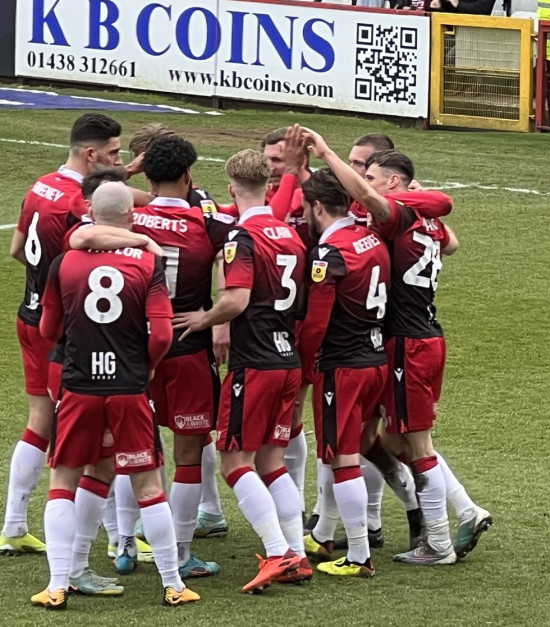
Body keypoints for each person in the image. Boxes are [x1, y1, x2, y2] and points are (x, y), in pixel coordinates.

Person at [303, 128, 494, 563]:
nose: (361, 179)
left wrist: (326, 151)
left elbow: (376, 202)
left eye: (367, 171)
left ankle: (439, 541)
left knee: (414, 444)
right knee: (385, 439)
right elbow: (452, 237)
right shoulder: (422, 216)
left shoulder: (398, 214)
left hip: (407, 342)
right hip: (418, 337)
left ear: (391, 181)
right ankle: (446, 514)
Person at [69, 137, 232, 579]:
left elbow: (80, 225)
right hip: (186, 348)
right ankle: (179, 553)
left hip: (130, 350)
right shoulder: (211, 225)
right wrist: (215, 317)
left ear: (149, 175)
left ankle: (124, 542)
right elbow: (241, 245)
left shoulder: (130, 219)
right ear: (188, 176)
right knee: (189, 455)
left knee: (128, 451)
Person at [35, 181, 200, 608]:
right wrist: (146, 364)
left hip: (78, 386)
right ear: (131, 217)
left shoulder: (64, 262)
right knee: (148, 485)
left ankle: (57, 584)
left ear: (92, 213)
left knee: (62, 483)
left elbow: (48, 331)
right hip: (129, 385)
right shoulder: (147, 262)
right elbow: (162, 333)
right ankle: (173, 584)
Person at [173, 149, 308, 593]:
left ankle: (277, 552)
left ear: (231, 188)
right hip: (288, 360)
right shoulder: (290, 234)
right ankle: (298, 554)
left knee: (234, 459)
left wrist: (203, 319)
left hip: (256, 364)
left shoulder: (240, 238)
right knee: (271, 461)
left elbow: (236, 300)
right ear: (270, 187)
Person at [2, 113, 122, 555]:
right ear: (91, 154)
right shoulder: (77, 202)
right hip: (60, 333)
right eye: (113, 153)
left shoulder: (40, 184)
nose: (118, 160)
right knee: (95, 434)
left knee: (40, 421)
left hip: (29, 315)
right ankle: (117, 538)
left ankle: (14, 525)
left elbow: (17, 249)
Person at [295, 167, 391, 578]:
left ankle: (358, 554)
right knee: (346, 450)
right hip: (376, 358)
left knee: (342, 457)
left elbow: (316, 322)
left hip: (343, 366)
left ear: (318, 206)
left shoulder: (329, 254)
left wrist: (302, 364)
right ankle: (326, 533)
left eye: (305, 209)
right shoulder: (372, 238)